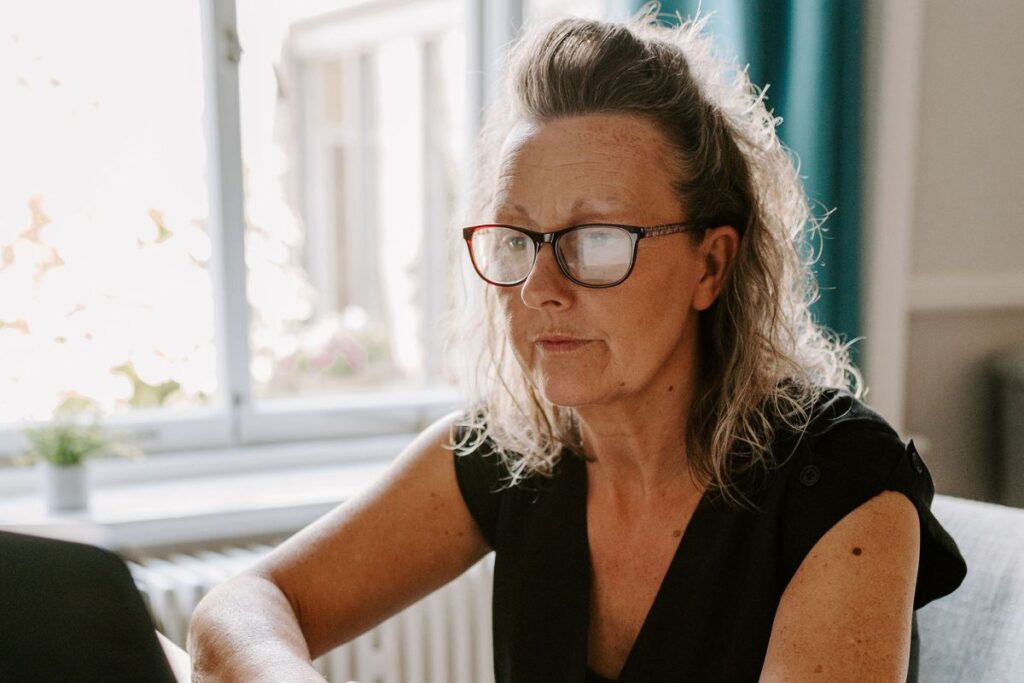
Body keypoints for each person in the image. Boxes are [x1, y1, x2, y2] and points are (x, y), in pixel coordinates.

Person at [188, 9, 967, 682]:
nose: (539, 288)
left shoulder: (842, 483)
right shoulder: (514, 451)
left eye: (597, 240)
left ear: (711, 264)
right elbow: (242, 605)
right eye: (519, 237)